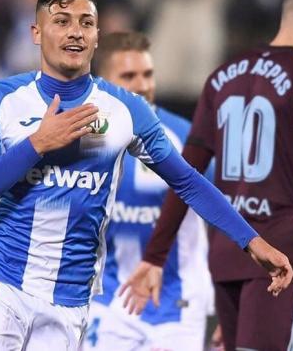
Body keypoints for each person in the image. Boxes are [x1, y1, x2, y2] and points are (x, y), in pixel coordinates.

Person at [0, 0, 292, 350]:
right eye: (61, 21)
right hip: (0, 281)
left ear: (98, 35)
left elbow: (188, 181)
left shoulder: (125, 111)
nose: (75, 32)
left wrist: (251, 241)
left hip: (71, 298)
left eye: (85, 22)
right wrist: (37, 144)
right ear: (37, 32)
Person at [123, 0, 293, 350]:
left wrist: (155, 255)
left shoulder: (223, 75)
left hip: (230, 250)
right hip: (281, 253)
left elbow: (185, 174)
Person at [82, 31, 213, 351]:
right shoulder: (80, 141)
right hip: (109, 299)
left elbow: (223, 214)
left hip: (176, 304)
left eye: (147, 74)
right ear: (102, 83)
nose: (142, 85)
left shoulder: (186, 138)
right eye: (129, 76)